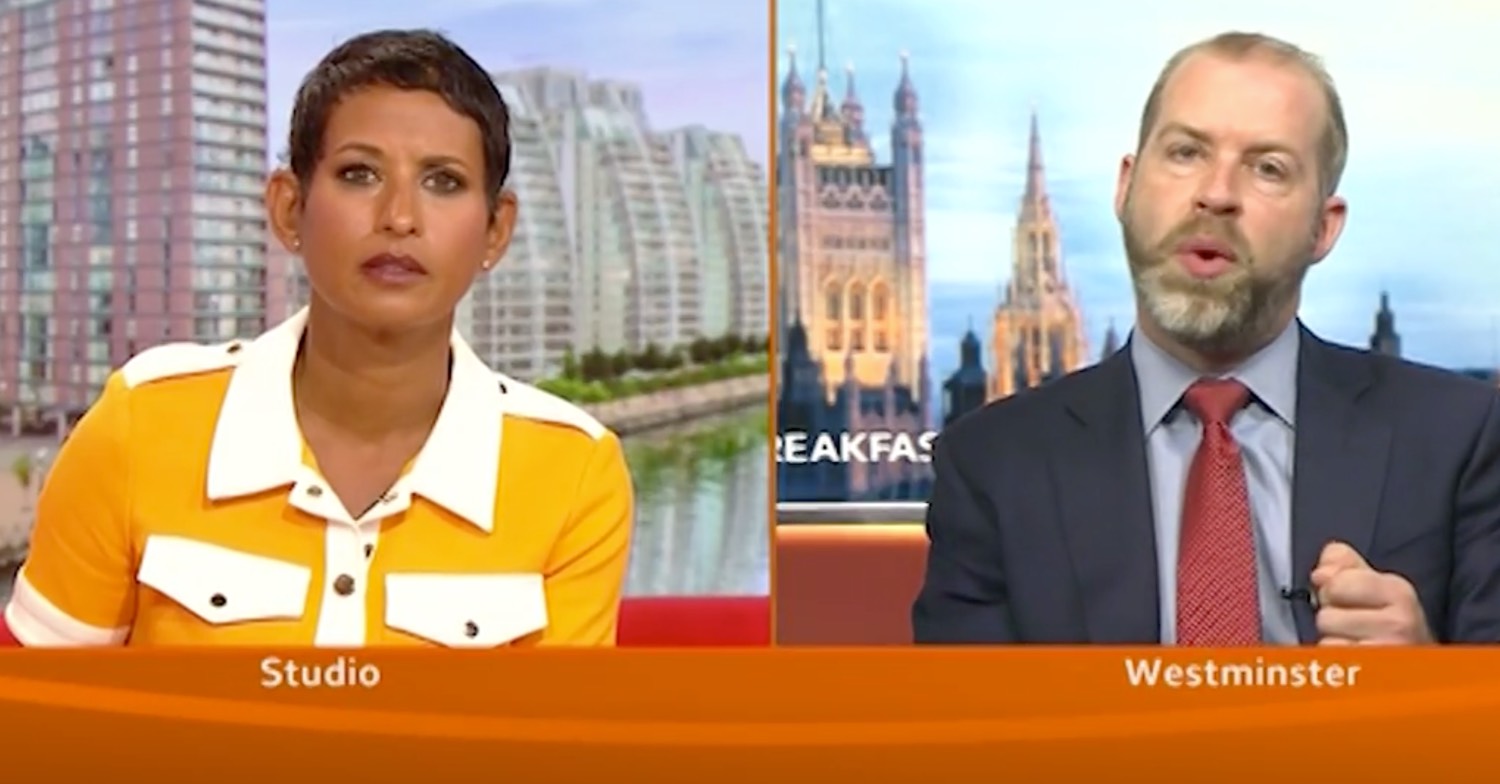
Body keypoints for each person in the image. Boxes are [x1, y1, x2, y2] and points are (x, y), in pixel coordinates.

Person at [1, 30, 634, 648]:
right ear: (288, 209)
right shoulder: (142, 420)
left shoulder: (576, 472)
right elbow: (46, 722)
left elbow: (547, 750)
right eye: (359, 174)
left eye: (443, 181)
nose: (400, 218)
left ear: (495, 231)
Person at [912, 31, 1500, 646]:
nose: (1216, 195)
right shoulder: (994, 464)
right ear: (1126, 188)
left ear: (1322, 229)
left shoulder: (1462, 438)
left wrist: (1430, 676)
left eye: (1267, 168)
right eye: (1186, 153)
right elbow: (971, 732)